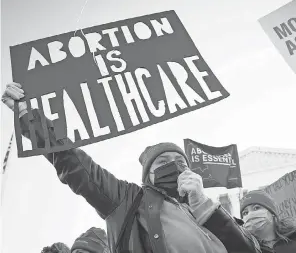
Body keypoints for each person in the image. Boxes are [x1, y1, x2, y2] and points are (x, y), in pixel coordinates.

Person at [2, 82, 261, 253]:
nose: (174, 166)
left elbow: (251, 249)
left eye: (181, 163)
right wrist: (27, 116)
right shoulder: (127, 200)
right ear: (147, 176)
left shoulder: (207, 208)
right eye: (162, 162)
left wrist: (205, 207)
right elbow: (74, 163)